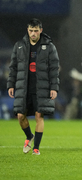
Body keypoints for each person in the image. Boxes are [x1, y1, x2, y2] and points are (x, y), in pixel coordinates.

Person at [7, 18, 60, 155]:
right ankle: (29, 136)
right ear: (27, 30)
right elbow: (13, 67)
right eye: (31, 30)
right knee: (20, 116)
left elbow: (54, 69)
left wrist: (54, 87)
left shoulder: (49, 47)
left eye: (36, 31)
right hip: (23, 87)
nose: (33, 34)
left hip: (41, 87)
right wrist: (10, 84)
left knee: (39, 116)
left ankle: (36, 148)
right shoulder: (19, 46)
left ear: (41, 30)